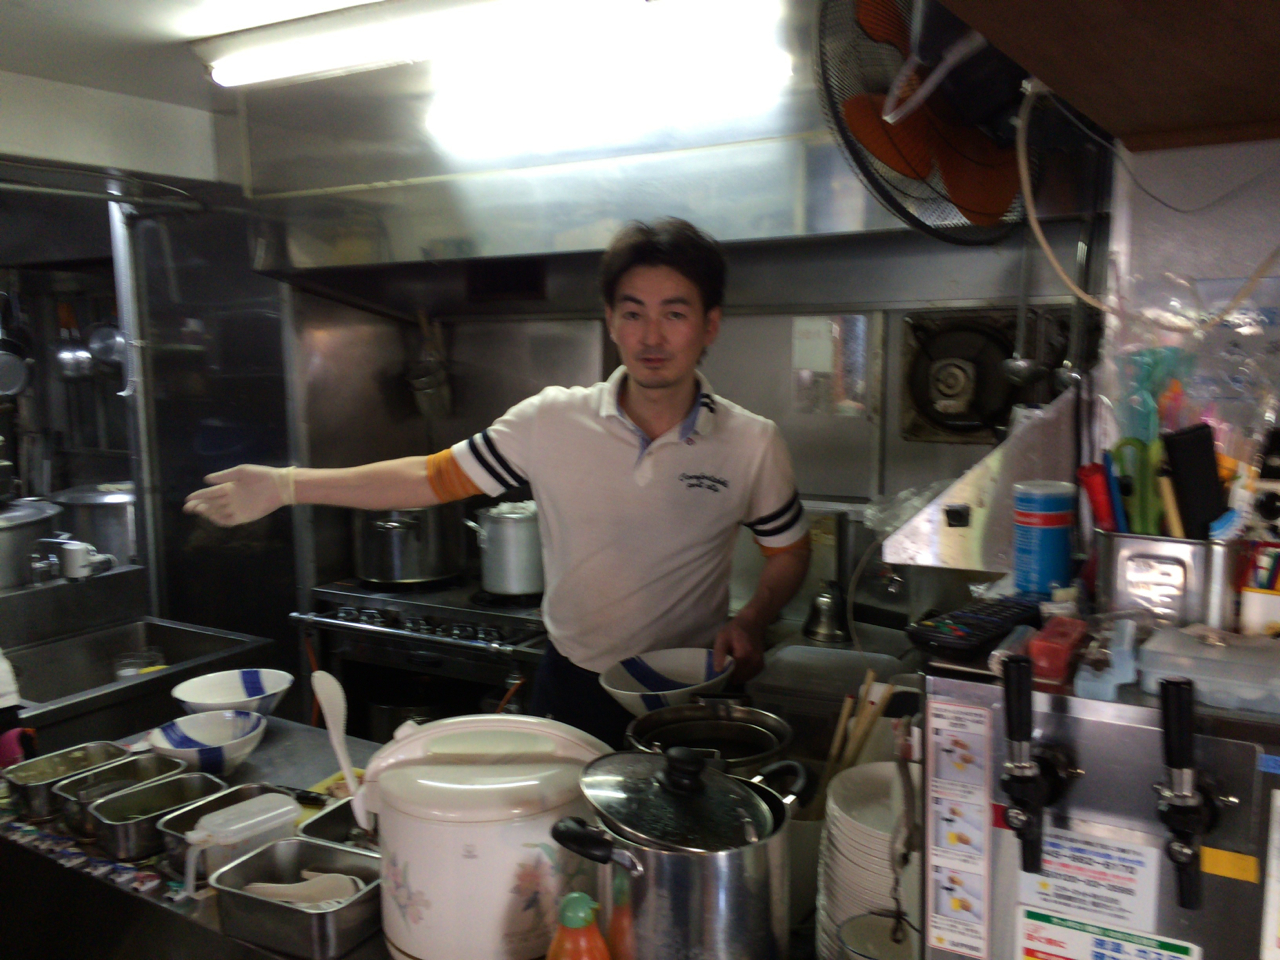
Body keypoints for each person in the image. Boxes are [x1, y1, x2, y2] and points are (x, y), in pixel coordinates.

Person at [185, 218, 810, 747]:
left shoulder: (751, 442)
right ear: (610, 321)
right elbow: (430, 477)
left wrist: (754, 619)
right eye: (633, 313)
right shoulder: (551, 419)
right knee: (564, 840)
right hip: (575, 684)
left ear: (709, 325)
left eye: (674, 313)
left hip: (691, 688)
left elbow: (788, 551)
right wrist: (286, 484)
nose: (652, 336)